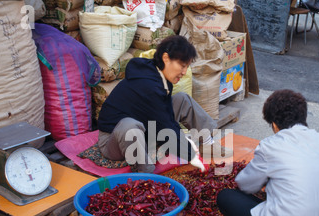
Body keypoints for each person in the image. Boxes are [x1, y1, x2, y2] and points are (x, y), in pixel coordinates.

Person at [97, 35, 232, 173]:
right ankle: (146, 173)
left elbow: (165, 114)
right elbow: (164, 125)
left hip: (144, 127)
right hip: (113, 140)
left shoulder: (159, 74)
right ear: (166, 58)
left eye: (187, 67)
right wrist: (190, 154)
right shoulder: (148, 86)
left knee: (182, 99)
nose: (184, 72)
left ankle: (208, 144)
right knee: (130, 126)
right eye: (182, 65)